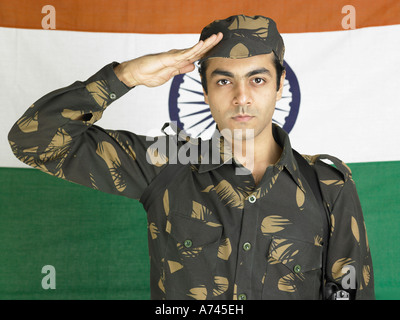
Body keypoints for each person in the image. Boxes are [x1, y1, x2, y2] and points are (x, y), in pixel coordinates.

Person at [8, 14, 374, 300]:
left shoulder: (327, 185)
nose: (242, 96)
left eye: (258, 80)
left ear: (280, 86)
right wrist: (126, 75)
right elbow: (34, 141)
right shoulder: (167, 164)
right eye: (224, 80)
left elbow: (351, 289)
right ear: (205, 91)